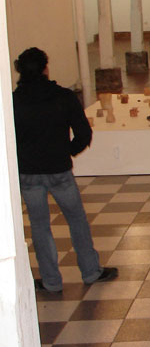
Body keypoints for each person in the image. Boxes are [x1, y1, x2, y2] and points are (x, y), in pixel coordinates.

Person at [13, 47, 118, 293]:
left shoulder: (13, 101)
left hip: (28, 173)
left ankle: (51, 281)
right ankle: (91, 272)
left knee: (39, 226)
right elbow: (84, 134)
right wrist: (67, 150)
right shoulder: (63, 97)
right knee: (76, 219)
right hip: (59, 170)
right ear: (45, 69)